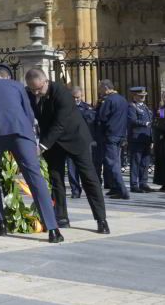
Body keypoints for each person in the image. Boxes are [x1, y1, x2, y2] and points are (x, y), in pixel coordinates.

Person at [0, 64, 62, 243]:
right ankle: (53, 229)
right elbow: (28, 114)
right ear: (7, 77)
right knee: (35, 177)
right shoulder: (18, 86)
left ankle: (0, 223)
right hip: (20, 131)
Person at [24, 69, 109, 234]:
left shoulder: (61, 92)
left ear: (46, 81)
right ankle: (61, 217)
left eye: (38, 89)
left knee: (89, 179)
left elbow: (60, 123)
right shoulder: (30, 93)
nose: (36, 93)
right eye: (32, 89)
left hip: (75, 138)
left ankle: (101, 219)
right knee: (56, 180)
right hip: (54, 144)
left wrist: (41, 147)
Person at [95, 79, 130, 199]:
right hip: (120, 134)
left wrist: (98, 107)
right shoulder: (122, 99)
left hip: (110, 135)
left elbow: (102, 117)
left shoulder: (109, 100)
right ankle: (115, 188)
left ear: (105, 88)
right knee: (116, 161)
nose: (99, 91)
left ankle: (122, 191)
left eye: (100, 89)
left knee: (112, 163)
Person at [126, 86, 154, 194]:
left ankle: (143, 183)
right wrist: (144, 123)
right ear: (134, 96)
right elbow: (132, 120)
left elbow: (151, 123)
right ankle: (134, 185)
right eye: (140, 96)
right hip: (136, 139)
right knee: (135, 162)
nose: (143, 97)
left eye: (144, 96)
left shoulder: (145, 107)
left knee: (145, 162)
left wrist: (151, 139)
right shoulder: (131, 107)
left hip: (146, 138)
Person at [69, 86, 96, 198]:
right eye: (74, 98)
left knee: (85, 166)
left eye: (78, 98)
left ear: (82, 96)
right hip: (69, 141)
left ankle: (89, 189)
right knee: (71, 168)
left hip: (83, 141)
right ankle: (75, 190)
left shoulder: (87, 108)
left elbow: (90, 120)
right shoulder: (66, 107)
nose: (76, 100)